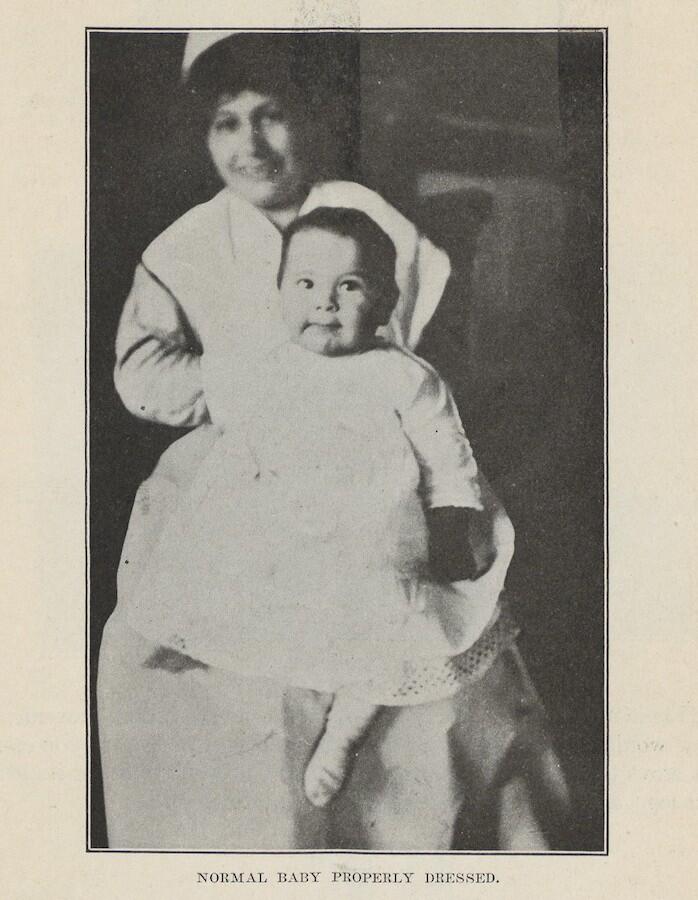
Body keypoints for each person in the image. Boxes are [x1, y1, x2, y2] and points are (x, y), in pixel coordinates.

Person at [98, 31, 569, 850]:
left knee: (421, 626)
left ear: (309, 117)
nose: (251, 144)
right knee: (186, 654)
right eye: (227, 123)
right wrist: (245, 387)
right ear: (205, 136)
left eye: (272, 116)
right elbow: (142, 372)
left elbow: (430, 370)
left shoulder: (373, 217)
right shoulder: (186, 245)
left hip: (381, 467)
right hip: (241, 464)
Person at [123, 207, 521, 810]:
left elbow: (448, 457)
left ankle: (344, 731)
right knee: (224, 576)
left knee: (393, 626)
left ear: (385, 304)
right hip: (278, 520)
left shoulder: (403, 376)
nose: (324, 303)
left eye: (350, 287)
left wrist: (451, 521)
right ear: (281, 293)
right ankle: (198, 641)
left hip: (370, 533)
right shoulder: (265, 362)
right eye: (305, 285)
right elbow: (234, 422)